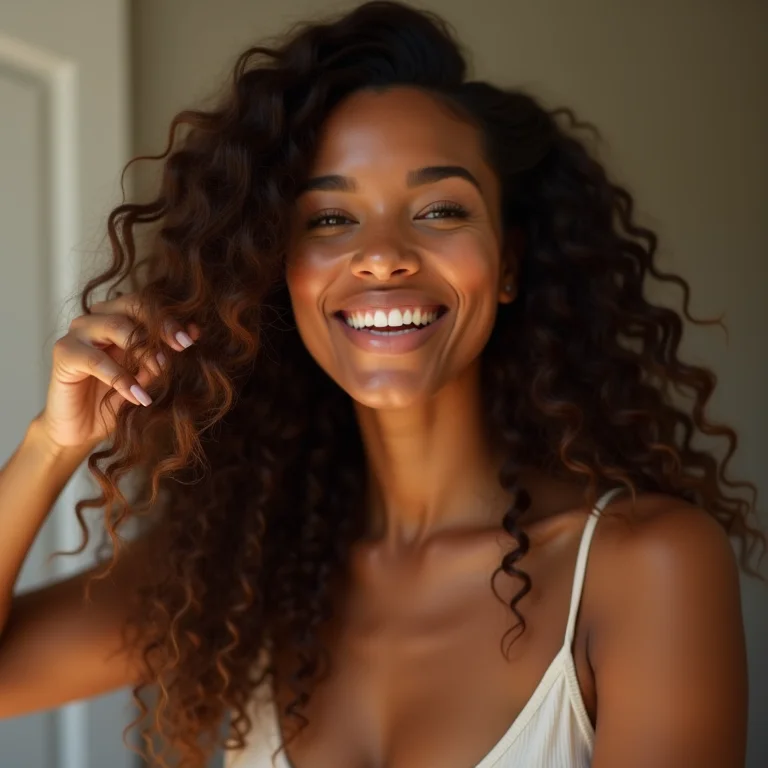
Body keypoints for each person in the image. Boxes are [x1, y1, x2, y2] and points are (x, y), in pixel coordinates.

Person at [0, 1, 763, 766]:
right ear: (278, 272)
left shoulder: (644, 566)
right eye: (330, 219)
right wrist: (51, 445)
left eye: (438, 209)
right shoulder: (238, 570)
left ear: (510, 265)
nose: (382, 255)